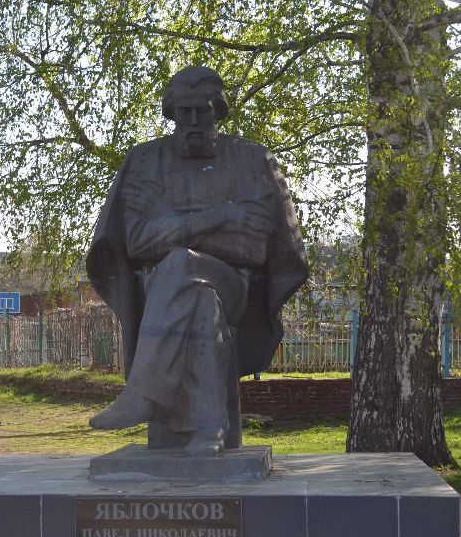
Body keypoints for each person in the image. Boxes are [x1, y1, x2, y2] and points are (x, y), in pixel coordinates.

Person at [86, 66, 308, 454]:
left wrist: (169, 222)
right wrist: (223, 217)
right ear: (171, 114)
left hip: (237, 287)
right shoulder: (145, 160)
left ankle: (142, 393)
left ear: (218, 113)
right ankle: (210, 429)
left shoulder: (250, 159)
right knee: (199, 300)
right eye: (182, 112)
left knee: (177, 263)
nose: (191, 121)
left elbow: (252, 249)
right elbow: (138, 242)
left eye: (201, 112)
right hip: (169, 292)